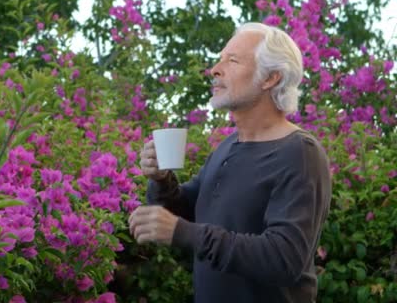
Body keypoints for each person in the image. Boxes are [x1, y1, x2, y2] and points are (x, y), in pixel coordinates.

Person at [128, 22, 331, 303]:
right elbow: (186, 212)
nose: (215, 69)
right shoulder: (228, 146)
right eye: (220, 58)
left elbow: (284, 258)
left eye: (232, 60)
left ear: (270, 77)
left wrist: (182, 232)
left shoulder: (300, 153)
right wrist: (162, 179)